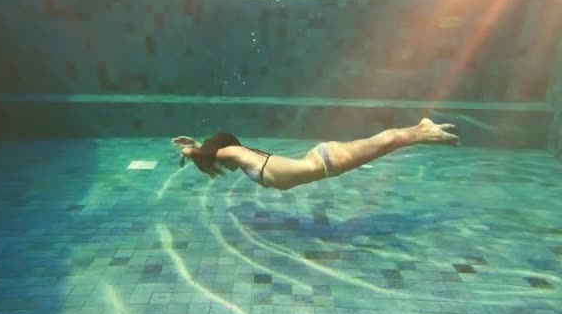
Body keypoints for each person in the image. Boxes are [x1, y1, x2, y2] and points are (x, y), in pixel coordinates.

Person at [172, 118, 459, 190]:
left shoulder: (231, 151)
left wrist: (189, 148)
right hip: (322, 159)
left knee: (384, 144)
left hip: (325, 161)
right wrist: (197, 145)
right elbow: (210, 154)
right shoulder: (235, 153)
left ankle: (423, 131)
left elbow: (207, 154)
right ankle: (422, 131)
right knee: (382, 146)